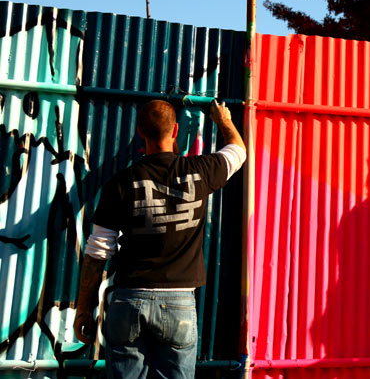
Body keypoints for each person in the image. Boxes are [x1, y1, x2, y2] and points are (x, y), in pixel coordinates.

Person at [73, 99, 246, 378]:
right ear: (175, 130)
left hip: (128, 300)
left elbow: (98, 251)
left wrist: (83, 308)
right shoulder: (201, 171)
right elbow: (238, 150)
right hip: (179, 304)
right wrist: (223, 119)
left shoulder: (120, 182)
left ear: (140, 132)